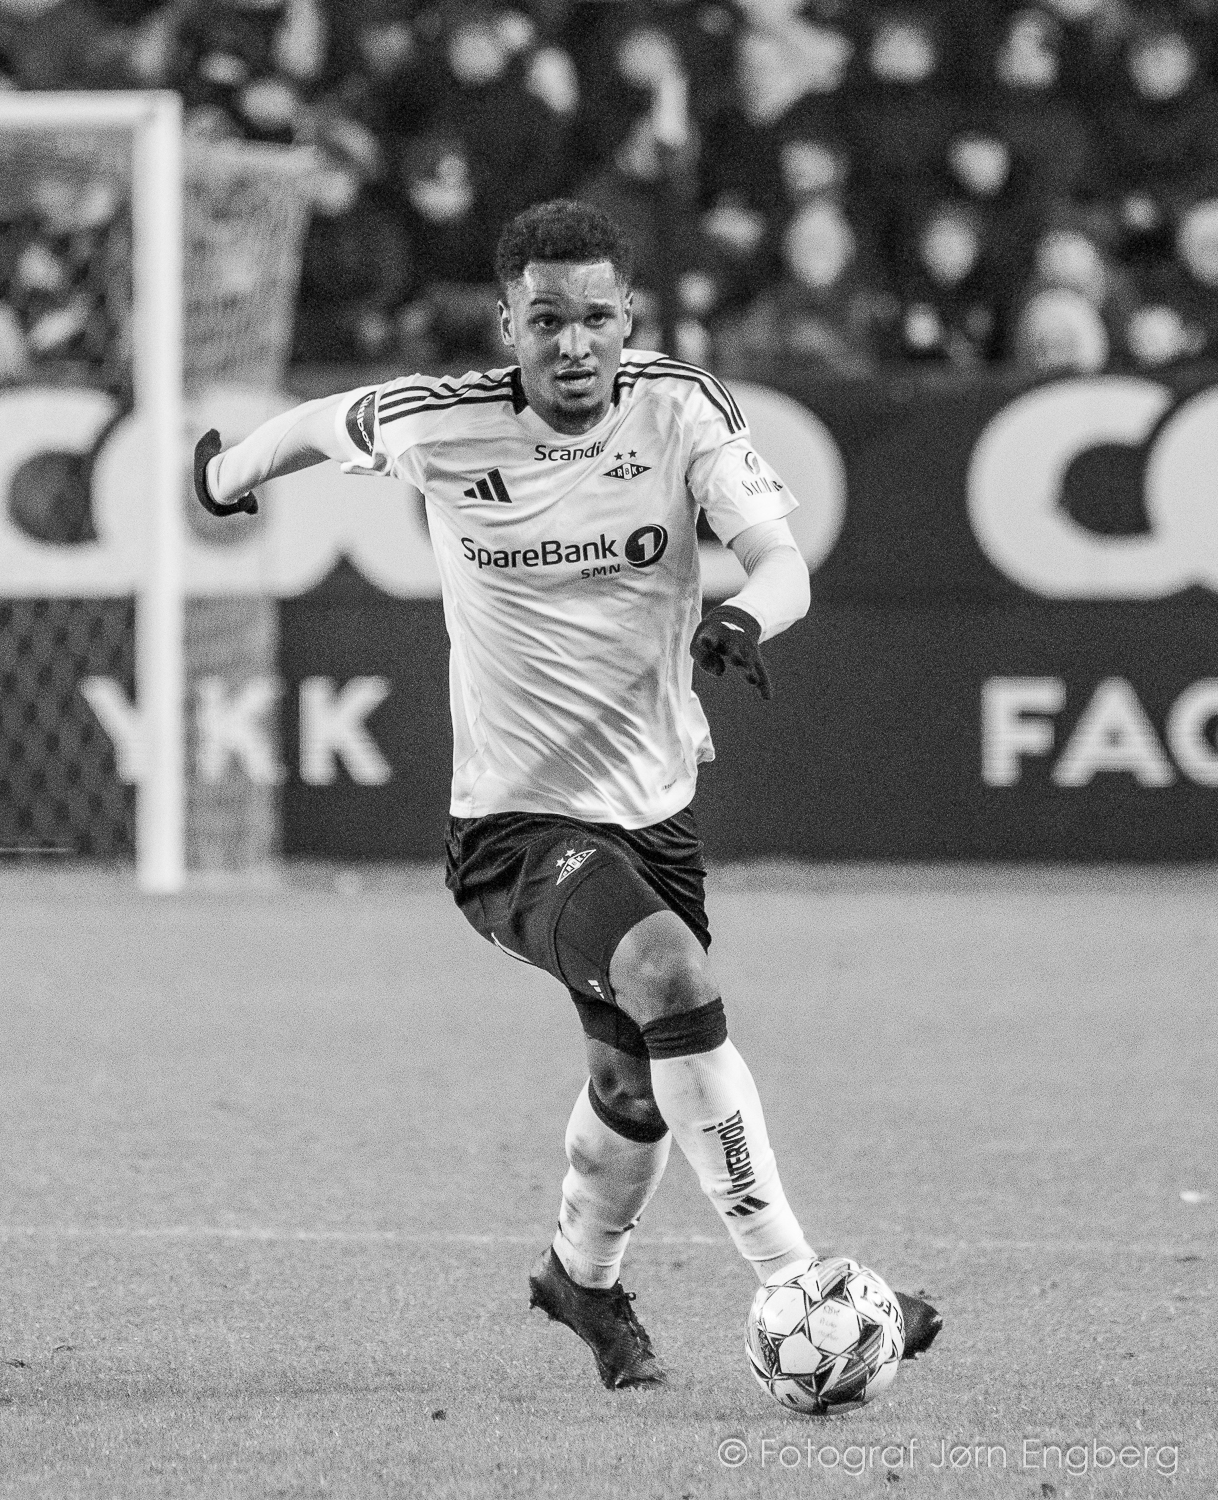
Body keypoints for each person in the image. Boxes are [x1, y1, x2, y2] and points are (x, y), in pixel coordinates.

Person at [191, 198, 943, 1391]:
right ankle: (799, 1280)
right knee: (673, 982)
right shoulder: (441, 422)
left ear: (629, 316)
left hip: (653, 811)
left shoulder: (682, 407)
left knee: (633, 1082)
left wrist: (749, 615)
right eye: (546, 320)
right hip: (513, 826)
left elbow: (782, 560)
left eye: (596, 316)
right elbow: (313, 426)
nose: (574, 342)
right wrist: (225, 476)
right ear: (510, 326)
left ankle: (578, 1281)